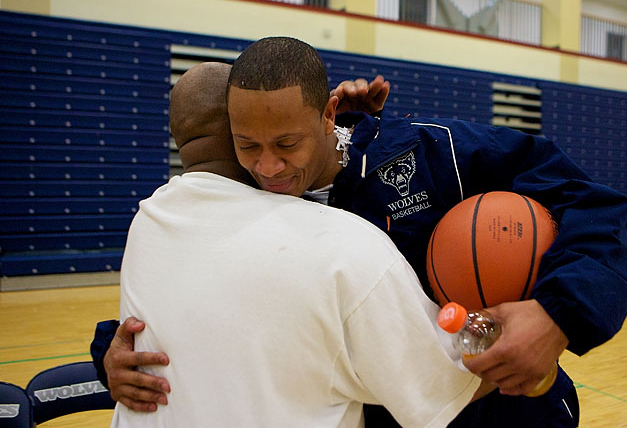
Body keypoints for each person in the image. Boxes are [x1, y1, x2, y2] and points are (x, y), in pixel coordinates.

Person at [95, 37, 627, 427]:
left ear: (329, 113)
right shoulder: (247, 196)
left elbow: (592, 202)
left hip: (502, 407)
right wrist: (110, 353)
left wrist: (556, 315)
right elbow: (201, 294)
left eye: (287, 144)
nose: (267, 166)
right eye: (248, 145)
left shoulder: (431, 154)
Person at [109, 61, 490, 427]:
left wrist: (104, 354)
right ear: (242, 126)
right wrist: (515, 325)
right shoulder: (344, 245)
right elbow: (441, 386)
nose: (272, 164)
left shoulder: (146, 225)